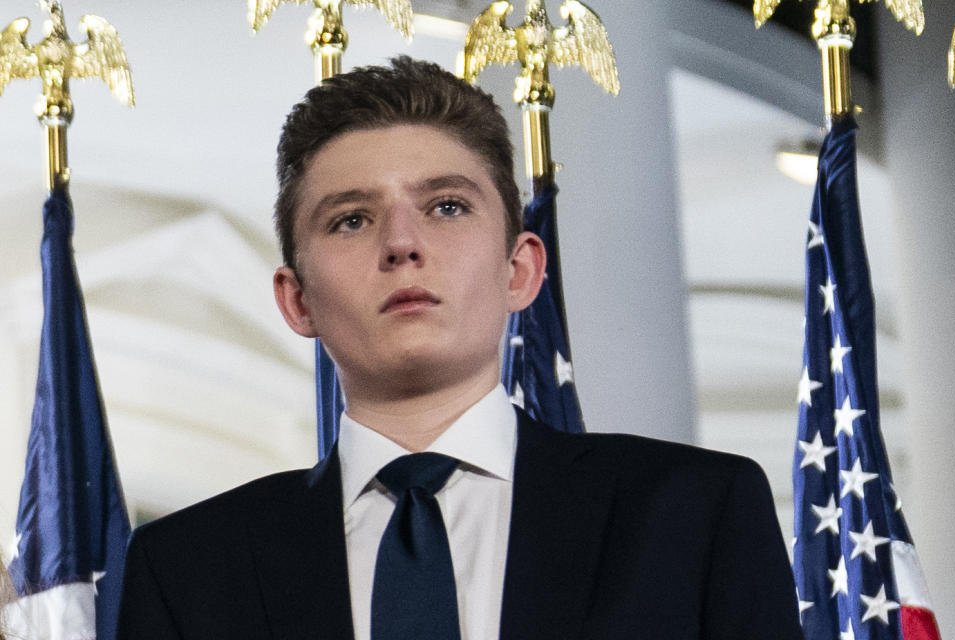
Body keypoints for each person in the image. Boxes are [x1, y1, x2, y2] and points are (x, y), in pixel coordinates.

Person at [116, 56, 803, 639]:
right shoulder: (186, 568)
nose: (402, 243)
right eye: (352, 219)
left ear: (521, 270)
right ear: (297, 300)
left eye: (446, 206)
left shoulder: (694, 514)